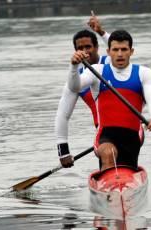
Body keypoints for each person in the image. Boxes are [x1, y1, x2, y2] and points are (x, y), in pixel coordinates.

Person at [56, 13, 145, 168]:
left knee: (125, 162)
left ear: (97, 47)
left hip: (132, 128)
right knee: (107, 155)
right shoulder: (76, 81)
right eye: (80, 48)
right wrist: (63, 151)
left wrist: (101, 32)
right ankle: (109, 185)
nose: (85, 51)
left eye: (88, 47)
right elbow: (63, 115)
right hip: (104, 133)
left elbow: (120, 48)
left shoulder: (111, 63)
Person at [68, 30, 151, 171]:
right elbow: (75, 86)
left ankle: (124, 183)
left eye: (124, 49)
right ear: (108, 51)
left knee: (128, 167)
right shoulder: (96, 71)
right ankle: (108, 188)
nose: (119, 54)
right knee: (108, 153)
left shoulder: (144, 73)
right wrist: (74, 66)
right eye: (115, 50)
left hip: (133, 135)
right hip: (105, 134)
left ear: (131, 51)